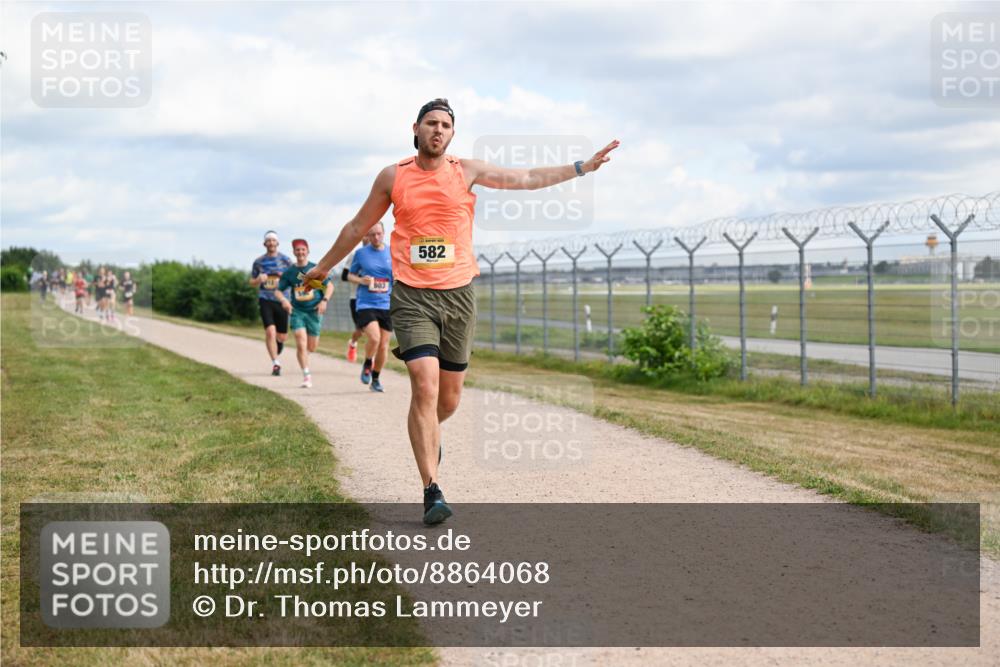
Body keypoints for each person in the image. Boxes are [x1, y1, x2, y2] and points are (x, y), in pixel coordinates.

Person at [307, 98, 619, 524]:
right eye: (431, 123)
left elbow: (526, 178)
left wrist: (580, 168)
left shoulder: (465, 171)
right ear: (415, 128)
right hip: (412, 295)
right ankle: (431, 490)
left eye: (446, 125)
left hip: (458, 296)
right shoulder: (392, 176)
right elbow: (357, 227)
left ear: (452, 134)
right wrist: (323, 269)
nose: (438, 130)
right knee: (424, 383)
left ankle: (429, 432)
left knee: (448, 400)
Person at [274, 239, 334, 388]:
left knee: (312, 347)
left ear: (307, 251)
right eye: (297, 250)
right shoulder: (290, 273)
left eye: (303, 249)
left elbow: (329, 286)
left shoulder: (315, 268)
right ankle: (306, 375)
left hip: (314, 311)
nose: (300, 252)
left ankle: (304, 358)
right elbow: (277, 291)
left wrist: (324, 300)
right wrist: (284, 301)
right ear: (294, 252)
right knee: (301, 342)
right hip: (297, 311)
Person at [348, 222, 393, 393]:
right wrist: (361, 281)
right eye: (372, 234)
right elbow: (350, 275)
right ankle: (368, 362)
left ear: (383, 233)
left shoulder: (392, 252)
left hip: (387, 303)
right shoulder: (360, 254)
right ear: (367, 235)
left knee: (383, 346)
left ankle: (376, 378)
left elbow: (397, 277)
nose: (376, 237)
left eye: (379, 234)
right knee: (374, 338)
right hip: (366, 303)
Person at [249, 231, 293, 376]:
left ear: (277, 243)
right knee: (270, 331)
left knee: (282, 336)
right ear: (264, 244)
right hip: (265, 299)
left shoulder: (286, 260)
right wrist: (258, 280)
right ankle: (276, 364)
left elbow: (294, 277)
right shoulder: (259, 262)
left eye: (274, 241)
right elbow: (251, 282)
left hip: (282, 300)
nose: (271, 243)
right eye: (268, 241)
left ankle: (278, 345)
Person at [342, 235, 370, 363]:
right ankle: (353, 343)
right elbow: (344, 276)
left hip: (377, 298)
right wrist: (361, 279)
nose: (368, 238)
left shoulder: (383, 254)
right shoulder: (355, 255)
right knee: (361, 329)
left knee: (374, 332)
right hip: (357, 298)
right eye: (366, 235)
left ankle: (370, 360)